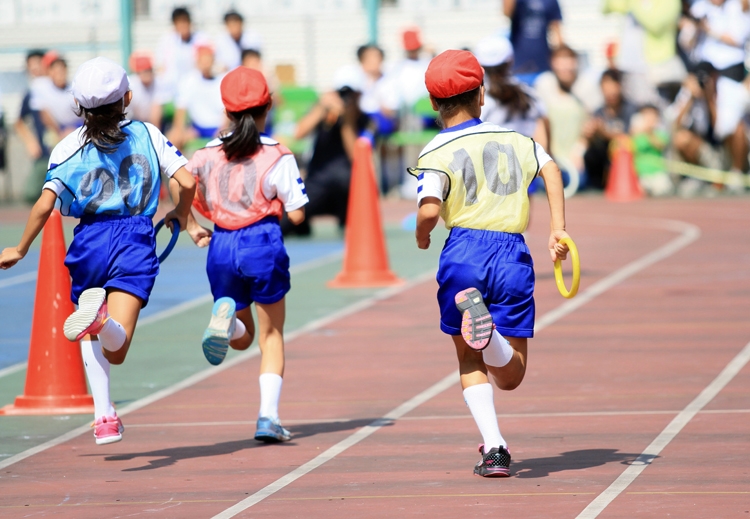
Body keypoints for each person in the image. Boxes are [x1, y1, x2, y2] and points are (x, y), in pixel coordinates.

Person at [0, 57, 196, 445]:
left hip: (88, 241)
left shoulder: (67, 147)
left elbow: (43, 205)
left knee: (88, 322)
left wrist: (20, 248)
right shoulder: (147, 133)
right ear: (127, 97)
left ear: (77, 105)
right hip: (133, 239)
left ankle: (104, 415)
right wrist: (181, 214)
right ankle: (102, 321)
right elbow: (187, 181)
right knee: (116, 344)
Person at [408, 50, 570, 477]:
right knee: (512, 374)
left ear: (432, 104)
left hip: (462, 252)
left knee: (468, 359)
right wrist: (557, 228)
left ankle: (495, 448)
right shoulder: (516, 138)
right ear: (481, 94)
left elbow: (428, 209)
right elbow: (551, 170)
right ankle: (492, 337)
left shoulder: (435, 148)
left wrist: (424, 233)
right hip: (510, 252)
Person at [185, 67, 308, 442]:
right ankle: (268, 416)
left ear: (226, 110)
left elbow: (179, 191)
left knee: (243, 335)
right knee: (271, 335)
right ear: (267, 107)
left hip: (221, 245)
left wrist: (192, 225)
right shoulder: (276, 154)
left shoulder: (204, 156)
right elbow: (299, 211)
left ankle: (227, 320)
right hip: (261, 241)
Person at [282, 66, 375, 236]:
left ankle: (345, 221)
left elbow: (358, 158)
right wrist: (321, 108)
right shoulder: (324, 112)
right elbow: (298, 133)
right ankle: (303, 224)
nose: (347, 98)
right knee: (286, 222)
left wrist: (347, 122)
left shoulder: (366, 121)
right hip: (319, 181)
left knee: (357, 229)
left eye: (351, 94)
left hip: (347, 187)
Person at [683, 0, 750, 192]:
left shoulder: (738, 6)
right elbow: (686, 42)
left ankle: (736, 171)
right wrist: (695, 27)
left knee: (729, 124)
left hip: (729, 76)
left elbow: (738, 38)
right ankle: (706, 175)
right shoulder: (699, 8)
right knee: (697, 122)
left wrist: (709, 29)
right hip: (704, 74)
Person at [534, 45, 599, 175]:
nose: (565, 68)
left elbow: (592, 123)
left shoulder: (586, 86)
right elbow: (538, 123)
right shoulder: (543, 84)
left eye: (569, 62)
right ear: (553, 63)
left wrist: (579, 152)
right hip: (548, 156)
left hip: (576, 158)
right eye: (561, 62)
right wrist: (544, 157)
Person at [474, 35, 548, 147]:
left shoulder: (479, 101)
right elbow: (543, 137)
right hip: (531, 161)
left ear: (479, 65)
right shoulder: (530, 95)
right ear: (510, 61)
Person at [583, 68, 637, 189]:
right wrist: (589, 135)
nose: (611, 92)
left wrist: (604, 132)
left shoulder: (631, 110)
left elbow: (630, 137)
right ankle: (595, 185)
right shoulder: (598, 112)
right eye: (606, 87)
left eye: (614, 86)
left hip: (626, 160)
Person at [154, 7, 208, 116]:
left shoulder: (201, 38)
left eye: (185, 22)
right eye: (179, 22)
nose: (183, 26)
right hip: (171, 90)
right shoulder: (166, 40)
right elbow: (161, 66)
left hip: (193, 88)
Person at [169, 43, 226, 148]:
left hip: (218, 127)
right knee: (172, 139)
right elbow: (181, 110)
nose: (205, 64)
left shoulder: (222, 80)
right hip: (197, 128)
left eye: (208, 60)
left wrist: (223, 129)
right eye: (202, 60)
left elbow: (226, 112)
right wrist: (179, 131)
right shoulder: (188, 80)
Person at [503, 0, 564, 84]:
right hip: (518, 64)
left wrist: (560, 58)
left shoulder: (551, 1)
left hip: (543, 63)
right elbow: (507, 12)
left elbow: (556, 31)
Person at [630, 104, 673, 196]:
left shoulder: (660, 133)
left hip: (657, 173)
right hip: (640, 174)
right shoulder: (636, 135)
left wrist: (649, 131)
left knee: (663, 190)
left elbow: (659, 145)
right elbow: (630, 147)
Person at [126, 51, 158, 124]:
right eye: (144, 71)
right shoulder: (131, 85)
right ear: (138, 72)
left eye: (149, 70)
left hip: (154, 122)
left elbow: (156, 109)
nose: (147, 74)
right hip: (135, 120)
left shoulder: (157, 82)